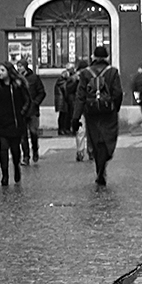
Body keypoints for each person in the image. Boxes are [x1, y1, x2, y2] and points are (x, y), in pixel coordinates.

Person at [72, 46, 122, 186]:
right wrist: (114, 108)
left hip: (91, 112)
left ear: (93, 57)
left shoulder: (85, 73)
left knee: (95, 140)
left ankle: (99, 169)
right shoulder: (112, 72)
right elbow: (117, 93)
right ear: (107, 57)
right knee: (108, 139)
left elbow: (80, 96)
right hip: (108, 112)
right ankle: (103, 165)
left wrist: (76, 117)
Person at [0, 61, 31, 186]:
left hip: (16, 122)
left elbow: (27, 100)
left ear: (9, 71)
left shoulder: (18, 85)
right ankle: (5, 175)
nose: (0, 73)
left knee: (15, 149)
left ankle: (16, 168)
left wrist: (22, 113)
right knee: (3, 148)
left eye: (3, 70)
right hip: (2, 122)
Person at [16, 58, 45, 165]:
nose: (19, 68)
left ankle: (35, 150)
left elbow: (41, 92)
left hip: (33, 110)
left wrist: (35, 102)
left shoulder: (34, 78)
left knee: (33, 132)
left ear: (25, 66)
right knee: (23, 135)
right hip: (21, 110)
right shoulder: (16, 79)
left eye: (21, 66)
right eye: (18, 66)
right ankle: (26, 156)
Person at [70, 58, 91, 162]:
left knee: (90, 130)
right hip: (79, 107)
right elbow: (67, 91)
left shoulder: (91, 77)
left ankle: (90, 151)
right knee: (81, 130)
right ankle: (80, 151)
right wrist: (75, 81)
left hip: (89, 106)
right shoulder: (74, 79)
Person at [54, 63, 74, 135]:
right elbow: (65, 88)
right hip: (62, 99)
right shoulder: (63, 78)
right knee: (63, 115)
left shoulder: (65, 78)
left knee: (67, 115)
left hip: (64, 99)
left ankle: (65, 128)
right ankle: (62, 129)